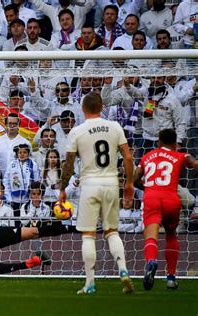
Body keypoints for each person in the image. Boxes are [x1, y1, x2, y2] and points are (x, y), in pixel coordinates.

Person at [59, 92, 134, 295]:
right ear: (102, 107)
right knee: (112, 231)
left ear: (83, 109)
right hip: (111, 182)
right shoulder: (115, 127)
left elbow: (69, 164)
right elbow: (127, 157)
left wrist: (62, 189)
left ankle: (90, 283)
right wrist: (129, 183)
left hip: (89, 184)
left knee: (89, 235)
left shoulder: (77, 131)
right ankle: (123, 270)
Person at [133, 129, 198, 290]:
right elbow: (195, 163)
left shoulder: (147, 157)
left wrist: (148, 187)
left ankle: (151, 261)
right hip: (171, 198)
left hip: (152, 197)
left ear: (159, 142)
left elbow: (134, 179)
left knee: (150, 235)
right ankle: (171, 277)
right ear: (175, 143)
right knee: (171, 234)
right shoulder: (180, 156)